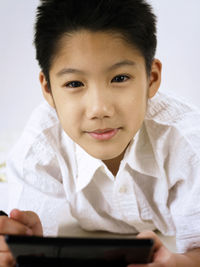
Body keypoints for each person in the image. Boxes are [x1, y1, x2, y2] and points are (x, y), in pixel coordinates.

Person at [0, 0, 200, 266]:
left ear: (151, 78)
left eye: (119, 78)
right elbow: (25, 244)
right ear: (48, 89)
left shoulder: (187, 141)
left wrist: (177, 262)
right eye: (74, 83)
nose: (99, 109)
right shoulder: (41, 142)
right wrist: (23, 245)